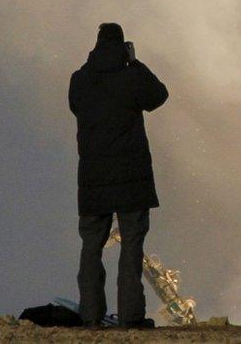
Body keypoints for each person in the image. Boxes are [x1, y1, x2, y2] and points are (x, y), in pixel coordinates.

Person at [68, 23, 168, 329]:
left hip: (93, 179)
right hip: (130, 177)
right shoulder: (131, 76)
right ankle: (130, 316)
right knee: (132, 246)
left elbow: (76, 108)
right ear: (123, 45)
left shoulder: (79, 79)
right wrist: (134, 62)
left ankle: (90, 314)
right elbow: (159, 95)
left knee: (91, 247)